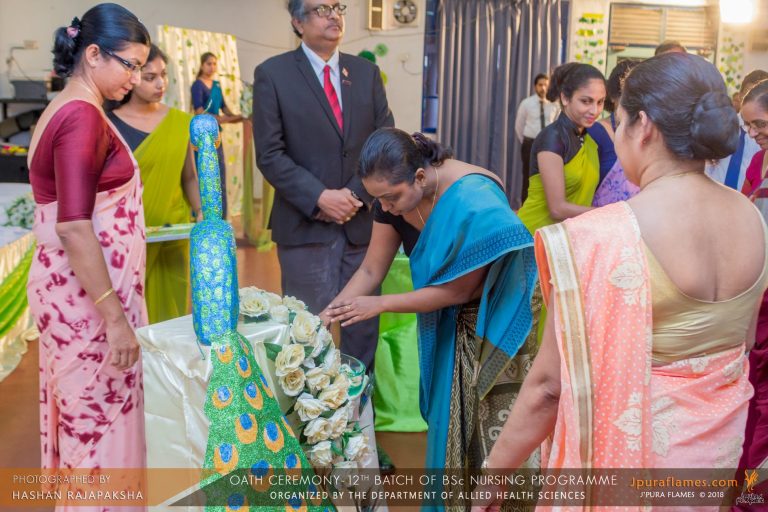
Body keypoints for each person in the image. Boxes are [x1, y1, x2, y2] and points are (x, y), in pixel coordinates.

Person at [472, 52, 767, 511]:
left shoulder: (601, 236)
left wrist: (495, 475)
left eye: (618, 119)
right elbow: (742, 342)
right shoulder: (752, 219)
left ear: (642, 125)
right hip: (713, 460)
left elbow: (548, 387)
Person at [323, 128, 539, 506]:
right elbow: (371, 270)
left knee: (483, 433)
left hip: (485, 326)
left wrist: (379, 305)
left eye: (391, 198)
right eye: (377, 199)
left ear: (420, 177)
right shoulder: (391, 198)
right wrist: (329, 314)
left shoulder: (472, 197)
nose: (385, 207)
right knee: (445, 429)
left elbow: (458, 292)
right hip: (443, 323)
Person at [26, 2, 150, 498]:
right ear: (94, 54)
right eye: (130, 65)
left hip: (83, 295)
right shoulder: (80, 115)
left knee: (91, 429)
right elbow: (75, 227)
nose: (135, 79)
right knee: (98, 434)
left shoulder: (77, 106)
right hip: (89, 305)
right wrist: (115, 319)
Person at [252, 0, 394, 371]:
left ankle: (360, 403)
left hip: (361, 226)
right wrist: (319, 197)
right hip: (305, 226)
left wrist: (355, 195)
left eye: (338, 7)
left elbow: (384, 142)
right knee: (309, 332)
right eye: (322, 9)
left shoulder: (365, 73)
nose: (334, 15)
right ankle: (311, 407)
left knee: (362, 331)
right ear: (298, 22)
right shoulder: (273, 74)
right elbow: (269, 154)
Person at [108, 44, 202, 324]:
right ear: (131, 77)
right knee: (131, 318)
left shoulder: (181, 122)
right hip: (126, 237)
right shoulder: (109, 124)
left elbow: (188, 176)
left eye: (163, 75)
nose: (161, 84)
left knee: (170, 315)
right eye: (150, 77)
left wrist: (201, 212)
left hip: (172, 235)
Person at [516, 62, 605, 235]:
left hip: (567, 237)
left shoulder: (588, 140)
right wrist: (606, 214)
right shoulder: (553, 138)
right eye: (586, 101)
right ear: (565, 98)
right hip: (534, 237)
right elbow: (557, 209)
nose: (595, 110)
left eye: (600, 102)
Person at [736, 78, 768, 491]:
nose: (754, 133)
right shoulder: (759, 161)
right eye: (749, 126)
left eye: (760, 123)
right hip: (758, 292)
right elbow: (744, 214)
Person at [191, 52, 244, 219]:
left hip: (216, 137)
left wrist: (243, 115)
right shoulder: (197, 85)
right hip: (202, 136)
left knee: (220, 176)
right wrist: (224, 119)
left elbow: (225, 109)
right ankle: (204, 218)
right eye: (209, 63)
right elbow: (200, 112)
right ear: (202, 65)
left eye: (214, 63)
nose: (212, 67)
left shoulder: (217, 85)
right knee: (205, 175)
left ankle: (221, 218)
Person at [588, 59, 640, 206]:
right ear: (612, 96)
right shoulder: (595, 132)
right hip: (600, 214)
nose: (631, 103)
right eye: (625, 96)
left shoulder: (648, 132)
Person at [705, 70, 767, 190]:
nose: (752, 133)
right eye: (748, 93)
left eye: (760, 124)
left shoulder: (761, 146)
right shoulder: (719, 124)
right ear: (740, 95)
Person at [514, 73, 559, 204]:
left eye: (545, 85)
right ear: (535, 87)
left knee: (547, 177)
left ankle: (543, 206)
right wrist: (527, 142)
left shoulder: (555, 105)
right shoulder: (526, 103)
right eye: (540, 85)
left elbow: (556, 125)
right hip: (530, 144)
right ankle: (525, 206)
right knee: (528, 176)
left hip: (549, 146)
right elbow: (519, 125)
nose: (543, 88)